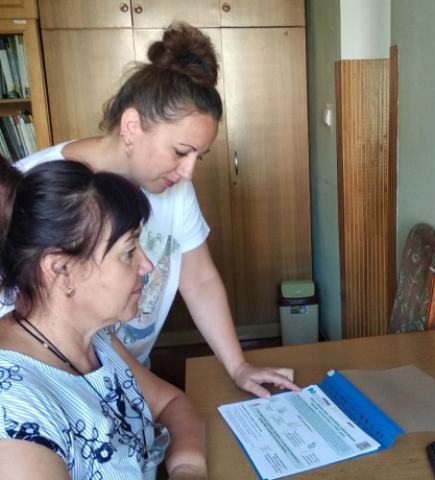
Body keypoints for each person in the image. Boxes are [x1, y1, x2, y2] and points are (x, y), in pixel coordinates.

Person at [9, 22, 299, 398]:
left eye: (198, 157)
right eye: (180, 152)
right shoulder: (34, 188)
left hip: (135, 383)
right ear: (132, 126)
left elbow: (200, 279)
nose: (188, 172)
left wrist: (238, 366)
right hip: (53, 392)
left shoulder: (173, 187)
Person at [0, 158, 207, 479]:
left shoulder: (94, 339)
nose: (147, 265)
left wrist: (187, 468)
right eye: (129, 251)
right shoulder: (14, 413)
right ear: (61, 269)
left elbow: (171, 403)